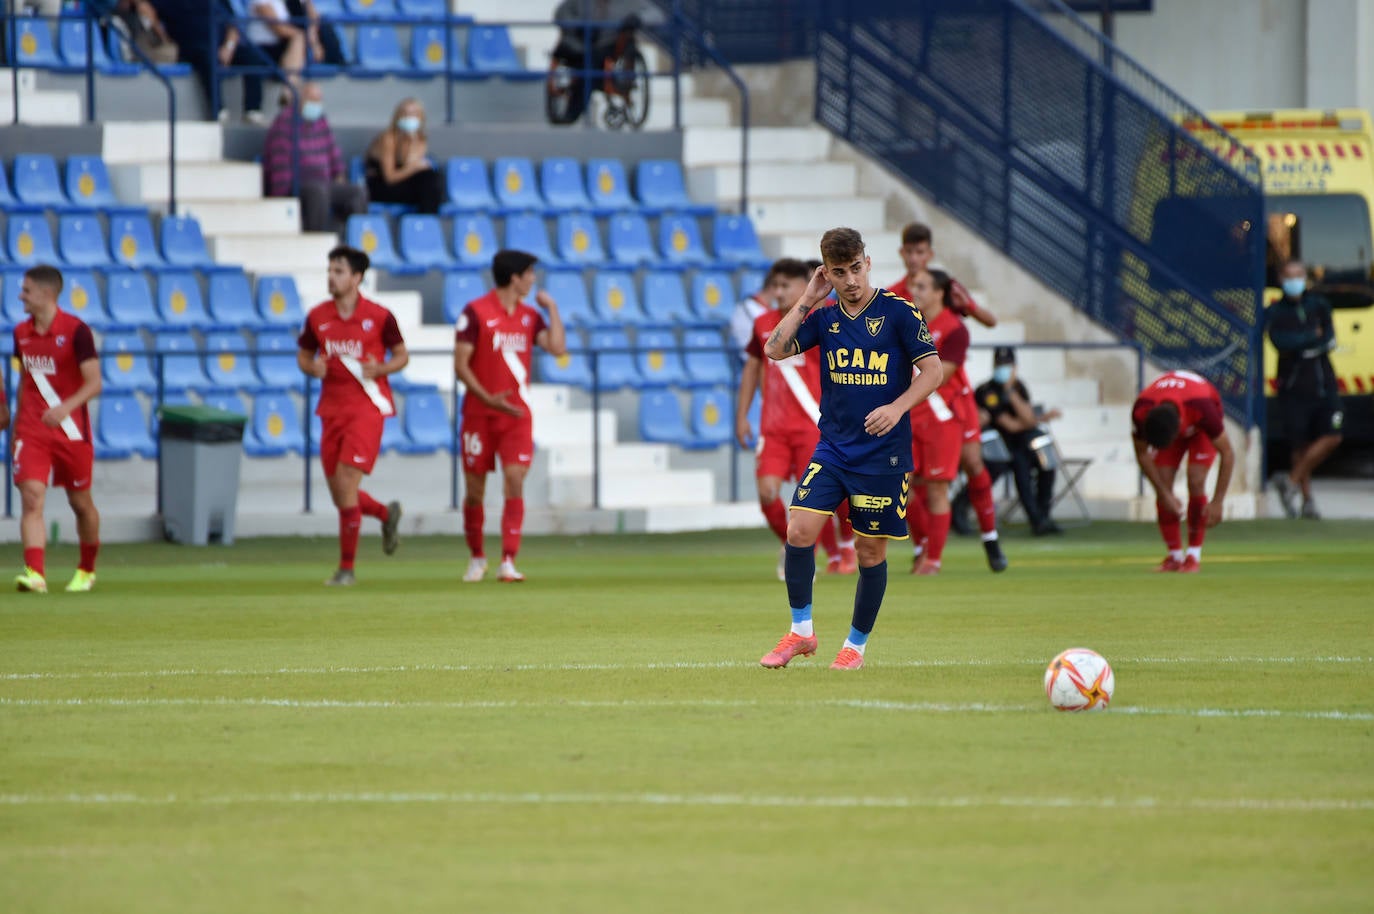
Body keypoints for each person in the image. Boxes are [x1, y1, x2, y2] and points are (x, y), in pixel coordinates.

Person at [759, 227, 941, 671]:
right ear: (828, 273)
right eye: (839, 273)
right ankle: (801, 634)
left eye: (856, 268)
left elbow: (932, 371)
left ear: (868, 262)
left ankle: (855, 647)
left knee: (868, 552)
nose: (851, 280)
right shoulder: (824, 316)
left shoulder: (898, 311)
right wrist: (807, 299)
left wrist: (898, 408)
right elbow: (774, 349)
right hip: (834, 450)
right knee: (798, 530)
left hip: (883, 456)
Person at [887, 223, 1007, 572]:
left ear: (930, 254)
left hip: (952, 399)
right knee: (913, 481)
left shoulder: (946, 289)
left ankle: (990, 540)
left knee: (971, 464)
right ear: (901, 253)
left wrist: (966, 306)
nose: (914, 258)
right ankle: (925, 549)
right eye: (909, 252)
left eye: (920, 252)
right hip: (918, 401)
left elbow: (989, 321)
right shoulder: (897, 293)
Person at [736, 258, 856, 579]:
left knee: (821, 496)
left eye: (786, 285)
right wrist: (742, 415)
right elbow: (752, 367)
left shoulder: (820, 321)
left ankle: (844, 548)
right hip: (772, 428)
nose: (778, 291)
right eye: (775, 285)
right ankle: (796, 547)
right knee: (766, 493)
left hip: (811, 423)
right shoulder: (762, 323)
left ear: (804, 287)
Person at [454, 249, 567, 583]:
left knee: (515, 478)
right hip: (479, 414)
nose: (533, 279)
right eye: (529, 273)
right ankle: (477, 557)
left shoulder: (531, 316)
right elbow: (460, 365)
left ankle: (508, 559)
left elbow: (557, 348)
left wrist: (553, 309)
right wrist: (488, 398)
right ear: (514, 277)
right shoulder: (475, 313)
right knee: (475, 489)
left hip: (516, 414)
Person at [296, 246, 407, 586]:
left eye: (339, 271)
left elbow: (402, 355)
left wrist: (382, 367)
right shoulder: (317, 317)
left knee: (346, 482)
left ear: (357, 278)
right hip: (331, 410)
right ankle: (385, 514)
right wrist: (312, 367)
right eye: (330, 270)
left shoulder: (380, 316)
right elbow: (304, 355)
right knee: (340, 494)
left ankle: (347, 569)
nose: (332, 276)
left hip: (367, 408)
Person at [11, 265, 102, 594]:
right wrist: (16, 426)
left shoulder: (78, 332)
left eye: (26, 290)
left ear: (46, 294)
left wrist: (66, 406)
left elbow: (94, 383)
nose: (21, 296)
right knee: (32, 498)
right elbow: (26, 382)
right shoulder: (20, 333)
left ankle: (86, 569)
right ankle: (35, 573)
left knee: (80, 503)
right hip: (32, 430)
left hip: (71, 431)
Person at [903, 268, 980, 574]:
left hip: (940, 418)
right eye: (913, 285)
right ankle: (924, 546)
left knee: (936, 489)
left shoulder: (954, 328)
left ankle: (933, 559)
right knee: (898, 487)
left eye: (921, 286)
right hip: (909, 416)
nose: (915, 291)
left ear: (939, 292)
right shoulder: (906, 323)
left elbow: (941, 374)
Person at [1131, 370, 1235, 573]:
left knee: (1196, 481)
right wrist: (1163, 493)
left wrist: (1218, 501)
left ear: (1180, 427)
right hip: (1171, 417)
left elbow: (1228, 454)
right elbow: (1143, 455)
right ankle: (1175, 557)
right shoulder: (1141, 410)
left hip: (1199, 426)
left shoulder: (1203, 408)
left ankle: (1193, 557)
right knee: (1162, 479)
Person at [1265, 258, 1343, 519]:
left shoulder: (1318, 305)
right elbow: (1281, 342)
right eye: (1290, 276)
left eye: (1299, 275)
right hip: (1293, 385)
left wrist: (1307, 343)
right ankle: (1306, 500)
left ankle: (1289, 481)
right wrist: (1311, 338)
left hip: (1323, 382)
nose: (1295, 281)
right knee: (1300, 444)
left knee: (1332, 435)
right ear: (1281, 278)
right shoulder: (1275, 311)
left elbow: (1329, 339)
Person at [973, 346, 1063, 536]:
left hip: (1024, 443)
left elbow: (1027, 418)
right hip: (1000, 448)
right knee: (1021, 469)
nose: (1003, 368)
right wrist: (1038, 419)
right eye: (1000, 364)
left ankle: (1043, 515)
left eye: (1007, 365)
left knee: (1047, 466)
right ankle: (1036, 520)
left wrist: (1012, 393)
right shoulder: (987, 391)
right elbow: (1013, 425)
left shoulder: (1018, 387)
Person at [262, 82, 367, 233]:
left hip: (324, 183)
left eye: (319, 100)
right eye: (311, 99)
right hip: (297, 185)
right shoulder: (284, 123)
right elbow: (280, 165)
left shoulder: (321, 120)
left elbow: (334, 154)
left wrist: (339, 175)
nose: (316, 104)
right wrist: (282, 197)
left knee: (357, 192)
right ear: (299, 99)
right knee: (318, 192)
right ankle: (315, 241)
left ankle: (352, 243)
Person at [549, 0, 642, 124]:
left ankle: (572, 112)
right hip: (581, 43)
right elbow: (561, 13)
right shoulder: (578, 3)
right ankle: (572, 112)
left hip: (610, 44)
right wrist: (577, 27)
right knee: (587, 65)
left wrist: (632, 21)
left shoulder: (627, 4)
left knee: (591, 64)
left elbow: (643, 14)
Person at [365, 98, 445, 215]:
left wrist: (412, 143)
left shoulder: (420, 139)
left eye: (414, 114)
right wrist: (415, 167)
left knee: (432, 178)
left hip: (404, 184)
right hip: (382, 186)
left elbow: (410, 166)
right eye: (405, 114)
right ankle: (426, 220)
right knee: (428, 185)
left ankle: (426, 222)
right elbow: (390, 177)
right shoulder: (388, 138)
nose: (409, 118)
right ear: (398, 116)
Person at [728, 267, 777, 362]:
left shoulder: (776, 307)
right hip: (752, 361)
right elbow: (746, 343)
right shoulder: (744, 309)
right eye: (783, 286)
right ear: (772, 287)